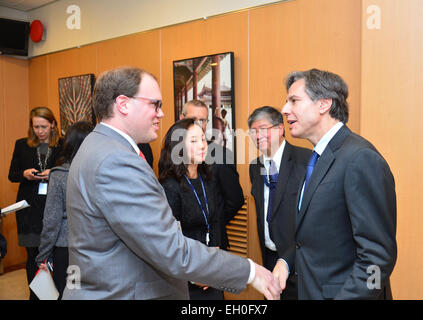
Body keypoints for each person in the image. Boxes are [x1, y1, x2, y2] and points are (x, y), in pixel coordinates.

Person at [63, 66, 281, 300]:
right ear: (123, 104)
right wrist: (250, 271)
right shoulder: (116, 160)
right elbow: (170, 250)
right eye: (154, 104)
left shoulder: (100, 146)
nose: (161, 114)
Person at [273, 68, 397, 299]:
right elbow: (315, 236)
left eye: (294, 100)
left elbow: (377, 261)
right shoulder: (317, 159)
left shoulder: (360, 158)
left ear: (324, 104)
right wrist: (286, 261)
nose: (284, 109)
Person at [248, 106, 311, 300]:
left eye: (263, 128)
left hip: (300, 259)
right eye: (253, 131)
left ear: (280, 129)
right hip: (269, 257)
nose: (258, 135)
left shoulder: (305, 160)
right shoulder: (255, 166)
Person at [159, 118, 224, 300]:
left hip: (211, 269)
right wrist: (197, 273)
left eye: (203, 139)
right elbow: (171, 239)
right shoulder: (170, 187)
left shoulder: (207, 178)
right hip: (186, 276)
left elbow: (215, 221)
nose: (203, 145)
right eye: (194, 141)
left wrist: (214, 261)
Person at [8, 106, 62, 300]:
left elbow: (70, 170)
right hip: (28, 209)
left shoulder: (62, 145)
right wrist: (24, 174)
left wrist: (53, 172)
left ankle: (54, 295)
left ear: (53, 124)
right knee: (32, 256)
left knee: (54, 255)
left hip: (53, 207)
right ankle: (36, 296)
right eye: (36, 127)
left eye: (44, 126)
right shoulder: (22, 144)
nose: (39, 131)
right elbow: (11, 175)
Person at [35, 121, 93, 299]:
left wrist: (43, 255)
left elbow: (51, 219)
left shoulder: (59, 175)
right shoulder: (100, 171)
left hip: (66, 249)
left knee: (67, 292)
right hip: (95, 246)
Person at [179, 99, 244, 250]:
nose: (198, 124)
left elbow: (235, 200)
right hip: (179, 244)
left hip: (213, 244)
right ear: (182, 119)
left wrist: (212, 220)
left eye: (202, 120)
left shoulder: (220, 154)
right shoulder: (172, 152)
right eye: (193, 119)